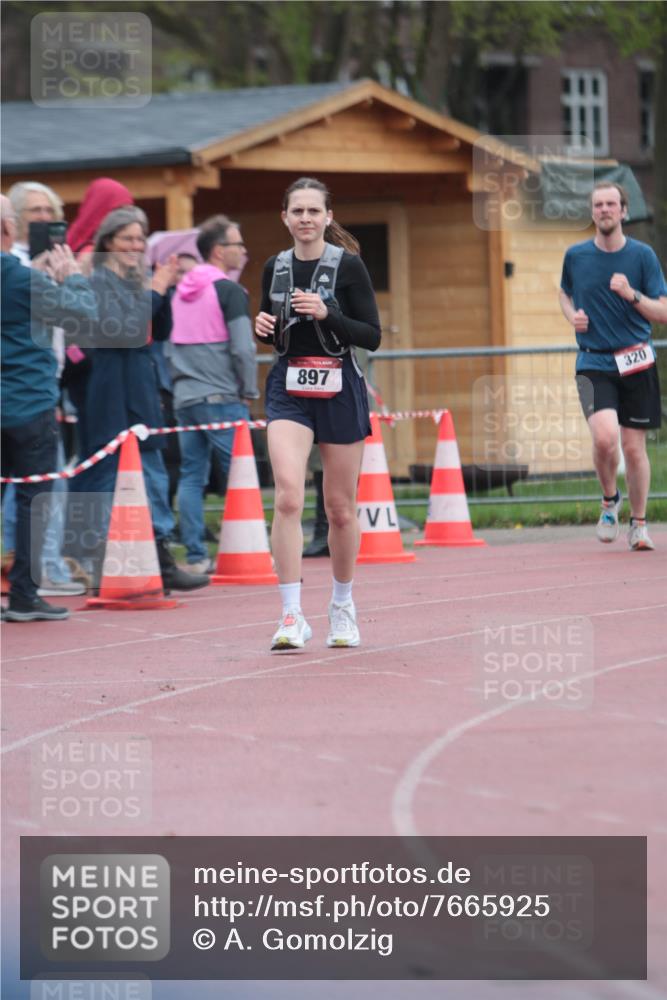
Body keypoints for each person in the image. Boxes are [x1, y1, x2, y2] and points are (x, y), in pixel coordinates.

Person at [255, 176, 381, 650]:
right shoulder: (275, 267)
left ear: (328, 217)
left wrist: (329, 314)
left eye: (314, 211)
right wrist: (263, 326)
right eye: (297, 211)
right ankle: (291, 614)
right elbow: (277, 334)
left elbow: (372, 334)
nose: (305, 219)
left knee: (340, 509)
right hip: (289, 388)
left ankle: (342, 605)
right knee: (288, 496)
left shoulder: (347, 267)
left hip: (339, 386)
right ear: (284, 217)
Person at [77, 207, 210, 592]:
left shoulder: (138, 282)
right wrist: (154, 290)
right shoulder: (97, 282)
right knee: (108, 479)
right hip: (110, 392)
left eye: (140, 239)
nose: (135, 246)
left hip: (141, 389)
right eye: (127, 238)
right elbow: (125, 330)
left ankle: (161, 560)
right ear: (108, 242)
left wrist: (162, 290)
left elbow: (161, 329)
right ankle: (103, 566)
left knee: (152, 475)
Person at [1, 194, 97, 622]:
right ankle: (24, 594)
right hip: (28, 404)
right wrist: (71, 277)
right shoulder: (25, 280)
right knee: (32, 501)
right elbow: (83, 316)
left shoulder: (25, 278)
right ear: (8, 229)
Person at [559, 181, 667, 550]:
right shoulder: (575, 256)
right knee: (605, 438)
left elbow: (663, 312)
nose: (604, 210)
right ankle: (609, 501)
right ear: (592, 212)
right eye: (598, 205)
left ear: (623, 211)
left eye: (611, 204)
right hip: (593, 360)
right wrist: (572, 315)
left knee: (634, 448)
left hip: (636, 359)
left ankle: (639, 524)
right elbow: (564, 292)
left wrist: (632, 295)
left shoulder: (642, 257)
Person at [167, 215, 259, 574]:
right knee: (241, 474)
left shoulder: (182, 291)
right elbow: (243, 349)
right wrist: (249, 389)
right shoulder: (229, 291)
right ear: (220, 251)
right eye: (238, 244)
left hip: (185, 397)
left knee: (192, 476)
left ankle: (195, 556)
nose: (244, 251)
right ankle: (249, 551)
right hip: (221, 397)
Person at [7, 181, 64, 265]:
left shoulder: (59, 252)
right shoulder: (6, 254)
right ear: (16, 213)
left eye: (49, 210)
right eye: (36, 210)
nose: (45, 217)